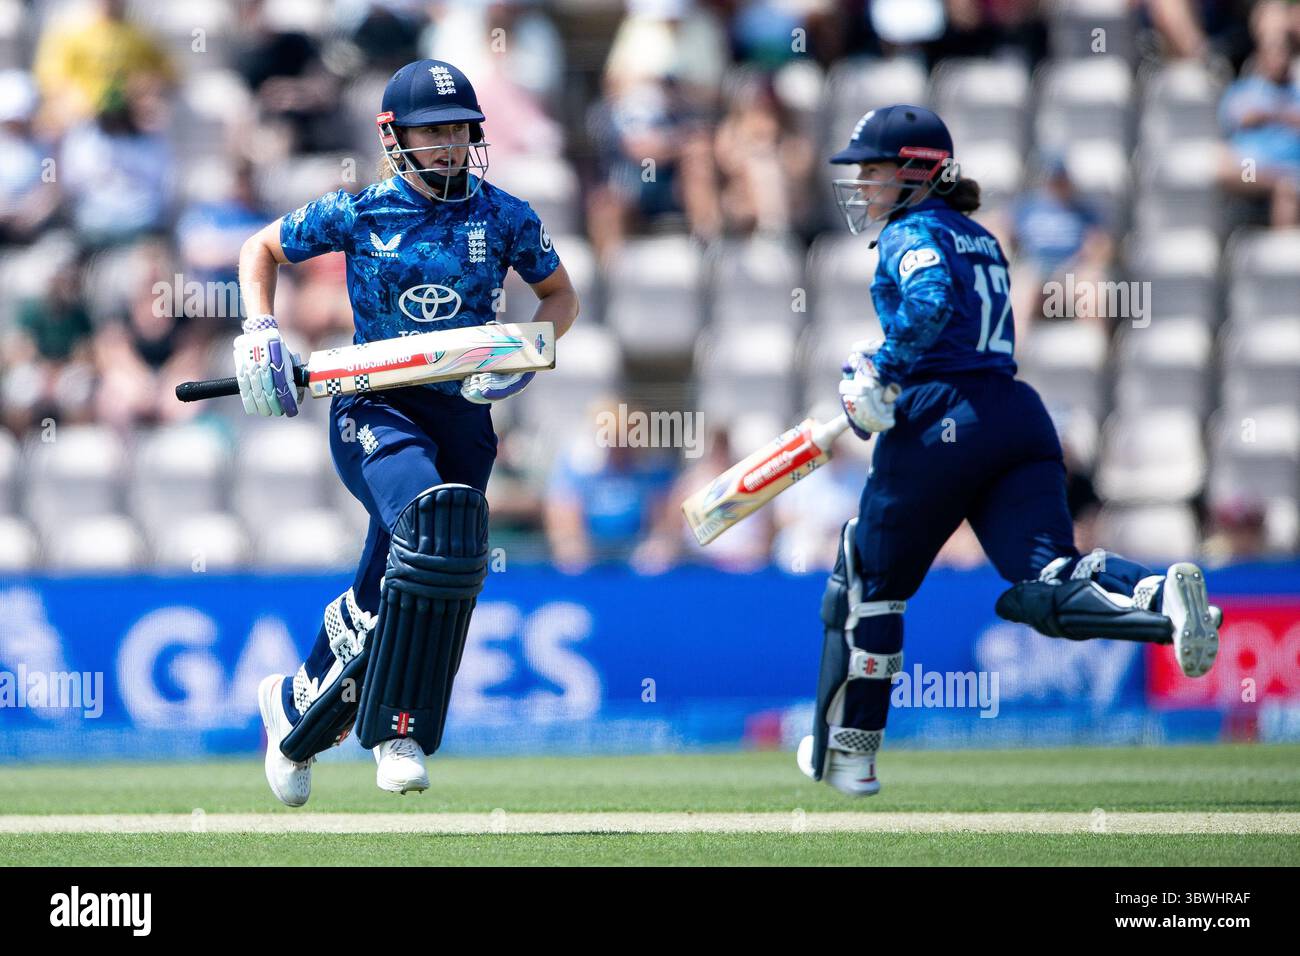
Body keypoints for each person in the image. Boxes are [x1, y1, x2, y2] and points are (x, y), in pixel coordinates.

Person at [798, 105, 1221, 797]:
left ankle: (850, 754)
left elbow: (930, 303)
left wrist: (882, 369)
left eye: (873, 171)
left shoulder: (914, 232)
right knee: (1046, 582)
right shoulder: (984, 237)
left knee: (868, 587)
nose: (863, 186)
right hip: (1017, 418)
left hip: (942, 420)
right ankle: (1157, 595)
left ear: (915, 173)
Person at [240, 59, 579, 806]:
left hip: (465, 415)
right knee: (433, 535)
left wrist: (519, 361)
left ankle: (295, 705)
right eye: (435, 131)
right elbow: (259, 250)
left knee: (398, 582)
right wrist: (261, 330)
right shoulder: (360, 212)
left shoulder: (505, 216)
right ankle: (400, 730)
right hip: (375, 409)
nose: (452, 144)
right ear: (394, 137)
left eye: (461, 130)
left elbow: (559, 300)